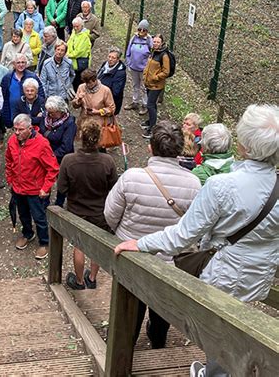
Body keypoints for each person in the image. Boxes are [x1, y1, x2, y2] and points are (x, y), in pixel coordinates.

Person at [114, 104, 279, 377]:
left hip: (226, 275)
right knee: (235, 324)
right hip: (259, 275)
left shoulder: (221, 186)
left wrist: (140, 243)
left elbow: (182, 236)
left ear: (245, 146)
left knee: (219, 330)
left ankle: (215, 373)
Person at [105, 121, 200, 348]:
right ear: (180, 150)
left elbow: (110, 214)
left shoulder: (131, 178)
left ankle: (123, 345)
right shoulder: (194, 184)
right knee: (163, 305)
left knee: (130, 302)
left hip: (131, 255)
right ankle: (158, 341)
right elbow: (194, 228)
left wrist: (125, 233)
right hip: (170, 261)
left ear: (150, 147)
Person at [59, 120, 118, 289]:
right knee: (96, 245)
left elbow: (62, 188)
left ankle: (78, 281)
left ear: (80, 137)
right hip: (100, 212)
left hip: (76, 211)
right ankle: (92, 278)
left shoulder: (68, 161)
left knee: (79, 246)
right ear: (99, 138)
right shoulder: (107, 162)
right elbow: (114, 188)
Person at [5, 114, 59, 260]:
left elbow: (53, 168)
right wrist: (10, 179)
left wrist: (45, 188)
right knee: (23, 214)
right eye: (15, 129)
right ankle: (28, 234)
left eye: (20, 129)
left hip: (35, 191)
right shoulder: (12, 141)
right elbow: (9, 161)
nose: (16, 133)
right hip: (18, 188)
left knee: (39, 217)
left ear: (30, 129)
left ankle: (44, 243)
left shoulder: (42, 144)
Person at [1, 54, 45, 128]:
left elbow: (41, 95)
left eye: (23, 62)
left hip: (31, 115)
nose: (21, 65)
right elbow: (3, 97)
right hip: (12, 114)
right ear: (14, 64)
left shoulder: (32, 76)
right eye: (18, 62)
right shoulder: (7, 78)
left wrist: (38, 113)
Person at [142, 34, 170, 139]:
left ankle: (153, 129)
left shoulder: (164, 55)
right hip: (149, 83)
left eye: (158, 42)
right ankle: (150, 121)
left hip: (156, 85)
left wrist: (155, 77)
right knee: (152, 104)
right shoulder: (153, 52)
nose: (156, 43)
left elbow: (166, 72)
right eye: (154, 41)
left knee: (150, 105)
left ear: (162, 43)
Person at [124, 20, 152, 115]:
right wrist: (128, 62)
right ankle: (135, 102)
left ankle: (145, 105)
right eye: (140, 29)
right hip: (133, 67)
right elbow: (128, 51)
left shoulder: (149, 40)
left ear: (147, 31)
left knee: (144, 87)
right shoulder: (134, 38)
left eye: (144, 30)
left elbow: (152, 55)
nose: (141, 31)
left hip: (144, 69)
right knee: (135, 85)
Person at [39, 95, 77, 165]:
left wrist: (50, 157)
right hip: (44, 155)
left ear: (61, 111)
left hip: (59, 160)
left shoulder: (69, 123)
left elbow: (66, 148)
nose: (49, 115)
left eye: (52, 113)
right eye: (48, 112)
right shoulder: (45, 116)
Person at [97, 46, 127, 115]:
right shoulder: (105, 64)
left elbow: (116, 92)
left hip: (110, 103)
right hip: (99, 99)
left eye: (113, 58)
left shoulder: (120, 73)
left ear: (118, 59)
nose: (110, 59)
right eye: (109, 56)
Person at [67, 16, 92, 91]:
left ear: (81, 25)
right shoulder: (74, 32)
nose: (75, 28)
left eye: (77, 26)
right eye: (74, 26)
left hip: (80, 63)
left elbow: (79, 51)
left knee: (79, 82)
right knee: (74, 82)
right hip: (73, 62)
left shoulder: (84, 36)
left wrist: (68, 55)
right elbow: (69, 43)